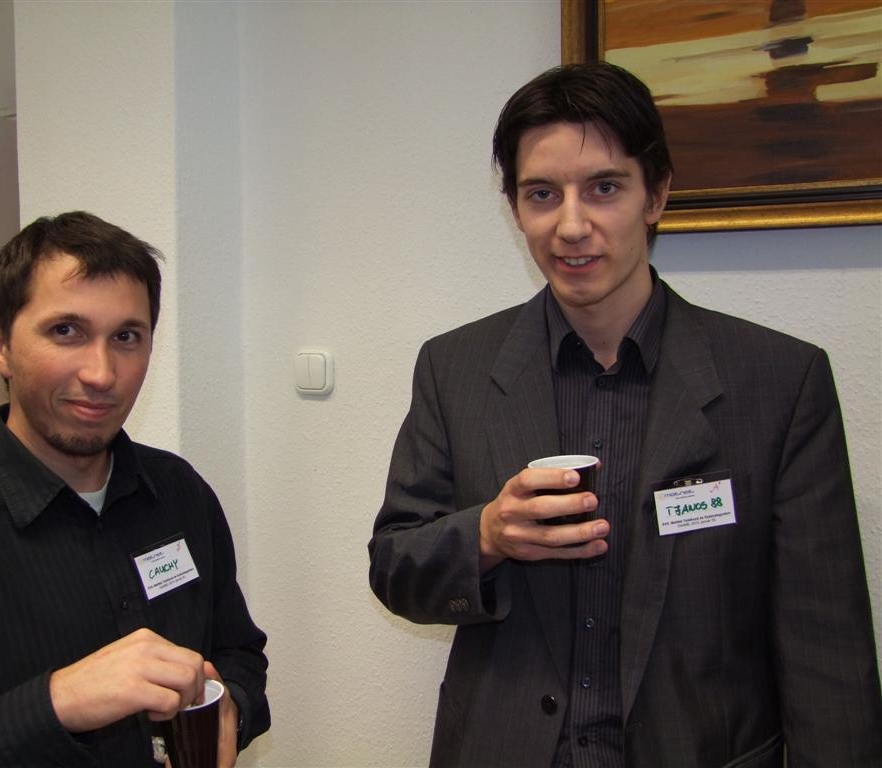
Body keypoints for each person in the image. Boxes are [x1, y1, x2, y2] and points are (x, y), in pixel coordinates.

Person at [368, 62, 881, 767]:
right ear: (515, 209)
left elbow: (827, 653)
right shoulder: (454, 367)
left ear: (657, 193)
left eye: (604, 188)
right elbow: (395, 566)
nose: (571, 226)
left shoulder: (780, 381)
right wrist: (485, 535)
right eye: (542, 194)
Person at [0, 211, 269, 767]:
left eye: (126, 337)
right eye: (66, 331)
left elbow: (238, 650)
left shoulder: (181, 494)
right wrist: (54, 705)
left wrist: (232, 706)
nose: (101, 373)